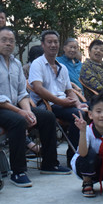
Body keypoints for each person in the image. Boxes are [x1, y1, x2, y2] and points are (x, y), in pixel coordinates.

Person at [0, 27, 71, 188]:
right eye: (4, 40)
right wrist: (22, 112)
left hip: (15, 106)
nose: (8, 43)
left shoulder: (16, 63)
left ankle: (50, 164)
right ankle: (18, 171)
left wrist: (28, 111)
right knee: (18, 121)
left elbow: (22, 92)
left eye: (11, 41)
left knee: (47, 116)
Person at [29, 30, 87, 163]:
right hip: (46, 105)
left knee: (89, 110)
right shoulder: (37, 64)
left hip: (63, 104)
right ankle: (73, 157)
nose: (53, 45)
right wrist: (60, 102)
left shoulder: (62, 67)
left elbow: (69, 90)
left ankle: (82, 152)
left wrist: (78, 103)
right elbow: (38, 88)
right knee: (78, 115)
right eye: (49, 42)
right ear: (43, 45)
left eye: (55, 42)